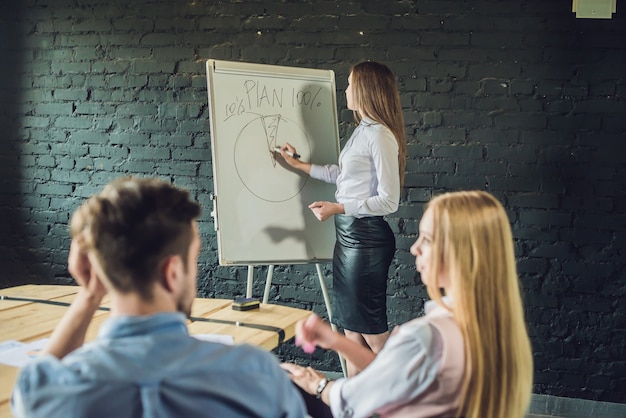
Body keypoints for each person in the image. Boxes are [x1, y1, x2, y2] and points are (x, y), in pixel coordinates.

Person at [11, 177, 306, 418]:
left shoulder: (46, 393)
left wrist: (88, 295)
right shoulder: (256, 373)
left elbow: (37, 379)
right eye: (194, 259)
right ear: (173, 272)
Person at [281, 190, 534, 418]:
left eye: (427, 239)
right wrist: (335, 341)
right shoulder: (494, 325)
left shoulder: (426, 336)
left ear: (461, 252)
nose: (414, 249)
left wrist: (317, 384)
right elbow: (394, 375)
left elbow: (350, 400)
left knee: (282, 379)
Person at [277, 61, 407, 376]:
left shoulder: (381, 136)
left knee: (373, 332)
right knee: (351, 330)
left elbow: (390, 200)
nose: (345, 90)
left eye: (349, 85)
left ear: (365, 89)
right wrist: (299, 166)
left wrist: (339, 208)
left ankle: (410, 398)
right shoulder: (363, 130)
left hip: (367, 241)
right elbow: (342, 175)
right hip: (349, 238)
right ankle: (357, 404)